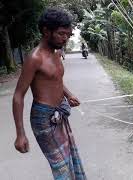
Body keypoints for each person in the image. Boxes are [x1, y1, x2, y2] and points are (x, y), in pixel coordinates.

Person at [12, 8, 86, 180]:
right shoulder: (34, 58)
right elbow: (18, 96)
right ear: (46, 31)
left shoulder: (57, 53)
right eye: (61, 34)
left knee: (69, 158)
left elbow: (56, 79)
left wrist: (68, 94)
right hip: (43, 119)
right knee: (60, 167)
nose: (65, 38)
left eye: (67, 34)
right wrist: (20, 134)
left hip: (60, 113)